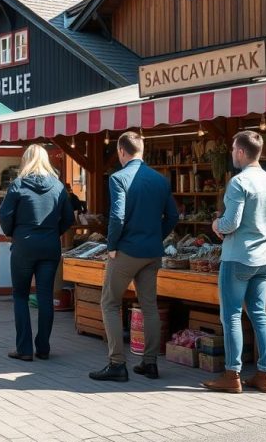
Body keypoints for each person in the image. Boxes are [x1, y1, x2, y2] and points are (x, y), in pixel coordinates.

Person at [90, 131, 179, 382]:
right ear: (142, 151)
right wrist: (157, 236)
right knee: (149, 306)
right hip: (152, 252)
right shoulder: (160, 180)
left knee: (110, 303)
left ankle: (117, 363)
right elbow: (172, 216)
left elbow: (117, 216)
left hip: (127, 250)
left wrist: (112, 245)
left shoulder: (118, 178)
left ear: (121, 151)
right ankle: (149, 363)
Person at [203, 131, 266, 394]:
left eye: (233, 149)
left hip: (238, 257)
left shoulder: (239, 182)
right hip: (264, 258)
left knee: (232, 316)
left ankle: (232, 375)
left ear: (240, 151)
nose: (232, 154)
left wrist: (216, 224)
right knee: (259, 315)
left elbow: (230, 223)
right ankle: (265, 374)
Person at [0, 144, 75, 362]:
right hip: (50, 245)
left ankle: (24, 349)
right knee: (45, 297)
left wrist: (13, 233)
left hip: (24, 245)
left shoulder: (18, 184)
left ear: (26, 160)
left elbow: (5, 215)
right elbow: (69, 218)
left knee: (20, 296)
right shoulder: (58, 186)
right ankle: (43, 347)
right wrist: (53, 232)